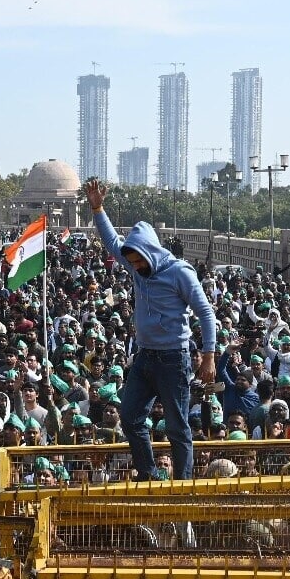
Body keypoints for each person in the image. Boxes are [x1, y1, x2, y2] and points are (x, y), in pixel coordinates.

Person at [85, 178, 217, 482]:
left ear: (150, 252)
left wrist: (208, 357)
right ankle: (150, 474)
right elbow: (111, 242)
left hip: (173, 358)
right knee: (130, 418)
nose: (136, 268)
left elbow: (206, 313)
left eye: (139, 262)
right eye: (131, 262)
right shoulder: (133, 262)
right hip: (144, 357)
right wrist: (97, 208)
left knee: (176, 426)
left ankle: (182, 483)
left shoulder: (179, 272)